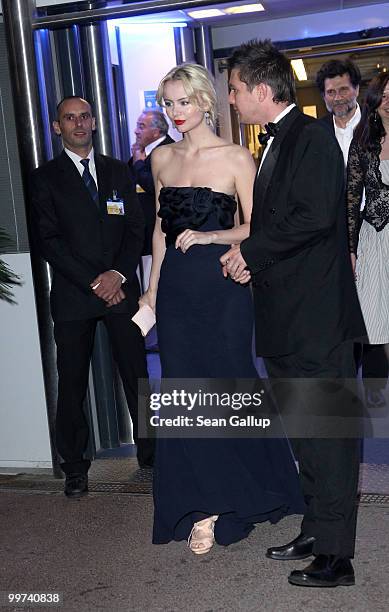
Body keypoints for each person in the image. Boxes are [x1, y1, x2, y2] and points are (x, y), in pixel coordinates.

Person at [140, 63, 304, 554]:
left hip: (223, 288)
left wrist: (211, 235)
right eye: (167, 103)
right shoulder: (161, 159)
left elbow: (257, 227)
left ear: (205, 102)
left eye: (183, 102)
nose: (175, 113)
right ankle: (204, 502)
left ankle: (239, 490)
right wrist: (151, 291)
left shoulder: (236, 158)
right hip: (176, 293)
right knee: (186, 396)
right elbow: (159, 230)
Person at [223, 40, 366, 587]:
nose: (232, 99)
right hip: (287, 317)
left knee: (328, 437)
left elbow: (310, 218)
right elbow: (280, 225)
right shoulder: (279, 140)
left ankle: (338, 558)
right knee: (305, 434)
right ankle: (315, 528)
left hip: (316, 321)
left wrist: (250, 252)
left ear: (262, 90)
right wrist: (250, 259)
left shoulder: (311, 138)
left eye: (235, 90)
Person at [31, 96, 154, 497]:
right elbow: (49, 241)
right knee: (71, 384)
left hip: (120, 291)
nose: (79, 124)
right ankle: (75, 467)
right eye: (70, 118)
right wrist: (94, 281)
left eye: (84, 117)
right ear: (57, 127)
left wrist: (117, 275)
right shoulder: (44, 178)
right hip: (73, 295)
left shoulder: (119, 170)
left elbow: (137, 228)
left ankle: (152, 455)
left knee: (137, 374)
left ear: (95, 122)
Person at [316, 60, 388, 408]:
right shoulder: (316, 135)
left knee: (377, 310)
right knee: (344, 314)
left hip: (372, 234)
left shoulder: (374, 131)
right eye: (330, 92)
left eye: (343, 89)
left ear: (357, 90)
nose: (338, 97)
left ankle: (376, 388)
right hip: (334, 240)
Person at [347, 73, 389, 379]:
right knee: (378, 321)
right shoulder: (362, 143)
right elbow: (351, 200)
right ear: (374, 102)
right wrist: (350, 250)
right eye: (384, 97)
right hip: (374, 239)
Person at [129, 110, 174, 257]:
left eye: (141, 126)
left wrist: (138, 163)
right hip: (142, 233)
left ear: (156, 132)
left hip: (161, 233)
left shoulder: (169, 150)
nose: (136, 131)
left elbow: (155, 186)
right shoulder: (141, 151)